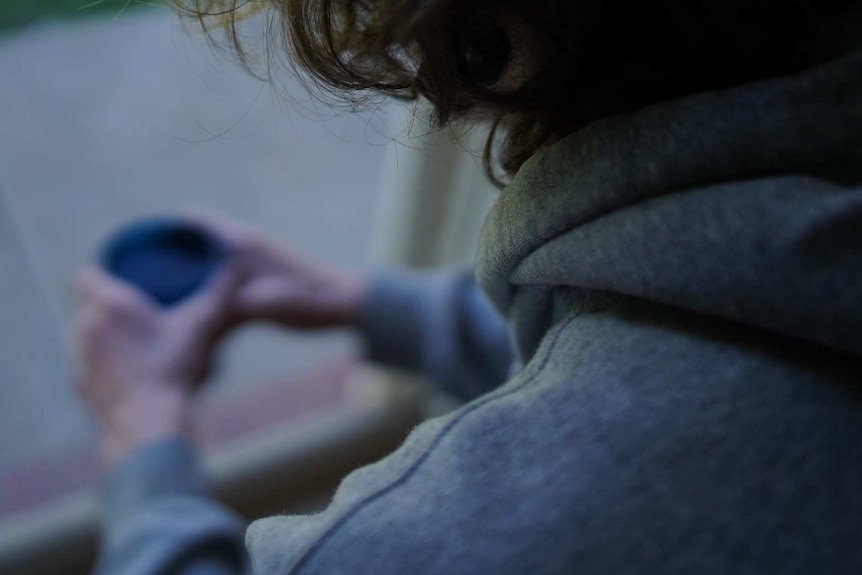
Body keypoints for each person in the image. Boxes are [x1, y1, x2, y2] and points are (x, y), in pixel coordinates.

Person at [73, 0, 862, 573]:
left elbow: (635, 392)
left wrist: (142, 436)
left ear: (497, 42)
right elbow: (707, 309)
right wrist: (359, 303)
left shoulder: (409, 548)